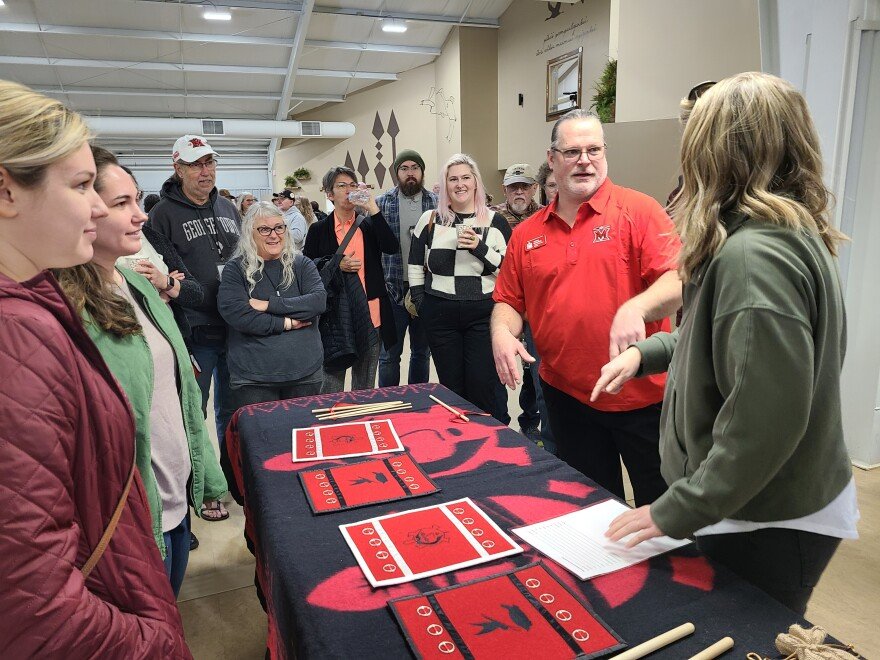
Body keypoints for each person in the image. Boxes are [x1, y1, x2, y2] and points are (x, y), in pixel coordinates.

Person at [596, 72, 855, 616]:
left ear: (714, 152)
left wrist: (675, 510)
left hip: (765, 518)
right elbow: (717, 343)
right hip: (758, 505)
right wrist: (647, 353)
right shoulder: (776, 233)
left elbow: (764, 424)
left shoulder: (752, 259)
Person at [0, 80, 190, 657]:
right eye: (83, 186)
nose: (99, 208)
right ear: (6, 193)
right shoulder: (18, 332)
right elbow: (37, 608)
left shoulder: (34, 309)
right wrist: (152, 638)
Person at [55, 146, 229, 596]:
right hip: (130, 513)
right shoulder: (64, 308)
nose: (140, 216)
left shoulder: (136, 283)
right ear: (85, 210)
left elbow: (182, 396)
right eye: (122, 204)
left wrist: (203, 474)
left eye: (137, 200)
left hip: (172, 497)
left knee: (168, 609)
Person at [492, 109, 681, 506]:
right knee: (593, 509)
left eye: (594, 149)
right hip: (568, 399)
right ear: (552, 159)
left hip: (645, 399)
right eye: (573, 151)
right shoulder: (527, 234)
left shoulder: (640, 211)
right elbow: (509, 300)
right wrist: (501, 333)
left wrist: (637, 308)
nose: (584, 160)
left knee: (666, 514)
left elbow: (678, 281)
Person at [147, 134, 240, 475]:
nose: (205, 171)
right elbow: (162, 277)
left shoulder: (229, 208)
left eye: (209, 162)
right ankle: (199, 483)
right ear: (178, 168)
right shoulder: (162, 216)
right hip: (194, 332)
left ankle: (232, 477)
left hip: (236, 326)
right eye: (195, 165)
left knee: (234, 412)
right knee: (192, 412)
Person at [409, 153, 512, 424]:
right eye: (452, 179)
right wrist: (422, 302)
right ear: (445, 185)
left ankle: (488, 441)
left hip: (483, 315)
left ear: (476, 182)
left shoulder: (495, 221)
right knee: (451, 389)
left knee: (482, 385)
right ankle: (460, 443)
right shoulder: (430, 220)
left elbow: (508, 270)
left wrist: (479, 247)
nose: (460, 184)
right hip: (440, 315)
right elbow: (416, 265)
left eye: (466, 177)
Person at [219, 202, 326, 407]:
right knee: (261, 438)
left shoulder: (302, 264)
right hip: (254, 378)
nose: (274, 235)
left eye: (279, 227)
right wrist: (287, 323)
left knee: (303, 436)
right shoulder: (235, 269)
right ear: (250, 233)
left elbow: (317, 302)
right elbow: (238, 315)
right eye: (264, 229)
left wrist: (269, 304)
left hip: (305, 372)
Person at [304, 167, 399, 393]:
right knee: (331, 383)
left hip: (371, 313)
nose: (349, 190)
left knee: (365, 385)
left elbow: (391, 247)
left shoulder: (368, 224)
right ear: (329, 194)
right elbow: (307, 271)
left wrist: (372, 208)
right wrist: (336, 264)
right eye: (341, 186)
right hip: (335, 317)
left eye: (352, 185)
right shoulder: (318, 229)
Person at [491, 163, 545, 443]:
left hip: (538, 304)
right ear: (505, 190)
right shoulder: (493, 217)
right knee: (504, 367)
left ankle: (530, 420)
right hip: (506, 303)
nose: (520, 191)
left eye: (525, 186)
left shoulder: (546, 215)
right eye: (514, 187)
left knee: (534, 368)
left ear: (534, 188)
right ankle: (502, 422)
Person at [375, 149, 436, 387]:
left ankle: (416, 399)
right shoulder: (381, 203)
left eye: (415, 168)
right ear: (396, 173)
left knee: (421, 352)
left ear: (422, 172)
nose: (410, 173)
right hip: (392, 289)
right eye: (404, 168)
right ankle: (389, 400)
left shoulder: (437, 203)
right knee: (389, 355)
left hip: (427, 289)